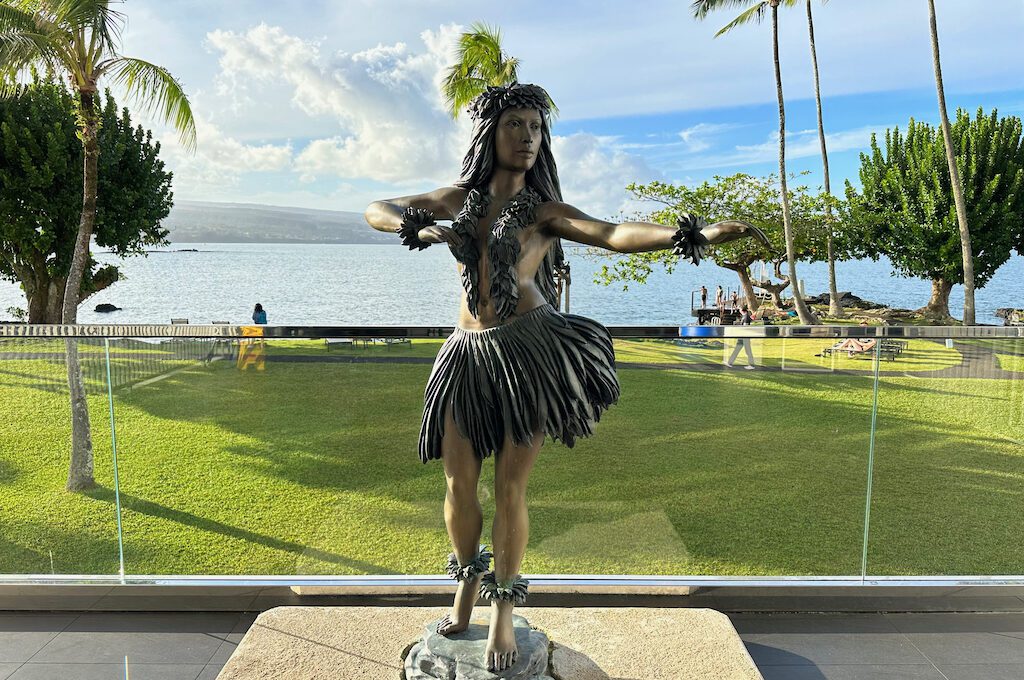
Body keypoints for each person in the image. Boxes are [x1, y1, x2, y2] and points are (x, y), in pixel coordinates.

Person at [364, 83, 767, 673]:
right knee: (456, 483)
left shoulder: (546, 212)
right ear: (490, 132)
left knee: (509, 487)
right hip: (465, 355)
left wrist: (693, 234)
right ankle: (465, 588)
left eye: (535, 127)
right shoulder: (460, 199)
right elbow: (377, 209)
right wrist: (417, 225)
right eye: (514, 125)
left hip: (528, 353)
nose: (527, 137)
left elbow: (612, 233)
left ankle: (502, 611)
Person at [724, 304, 756, 369]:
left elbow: (745, 328)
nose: (739, 310)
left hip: (745, 337)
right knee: (737, 349)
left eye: (739, 309)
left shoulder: (746, 317)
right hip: (742, 337)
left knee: (748, 351)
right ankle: (730, 362)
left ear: (742, 309)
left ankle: (751, 365)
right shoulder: (745, 316)